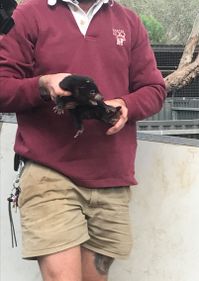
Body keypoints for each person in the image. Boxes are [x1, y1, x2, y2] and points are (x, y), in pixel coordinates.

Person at [0, 0, 166, 280]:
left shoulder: (128, 22)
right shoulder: (28, 14)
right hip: (49, 172)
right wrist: (43, 84)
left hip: (111, 176)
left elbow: (154, 88)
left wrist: (126, 105)